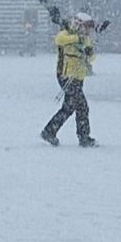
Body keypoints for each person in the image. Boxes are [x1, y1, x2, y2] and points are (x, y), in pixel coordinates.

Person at [41, 12, 99, 147]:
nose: (87, 31)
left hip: (78, 77)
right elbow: (59, 40)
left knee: (70, 107)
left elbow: (91, 58)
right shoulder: (66, 34)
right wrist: (78, 39)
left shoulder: (86, 39)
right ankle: (83, 137)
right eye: (85, 27)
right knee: (81, 107)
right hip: (66, 75)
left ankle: (50, 131)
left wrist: (90, 53)